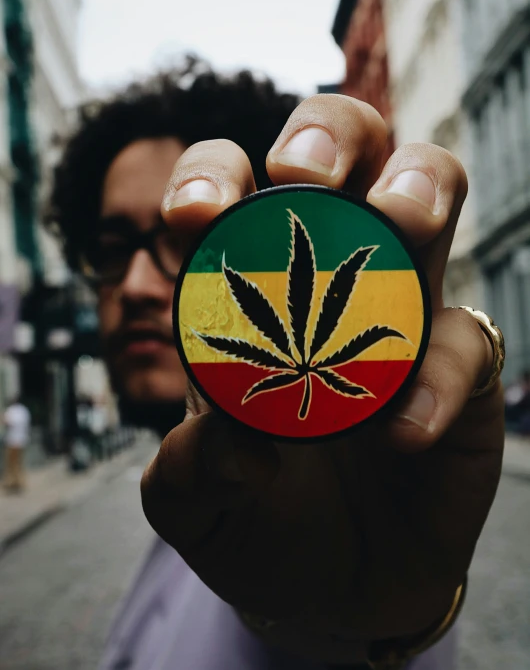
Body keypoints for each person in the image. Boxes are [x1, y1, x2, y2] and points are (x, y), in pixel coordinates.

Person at [47, 56, 505, 669]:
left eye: (183, 245)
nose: (132, 285)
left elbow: (306, 635)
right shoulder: (184, 537)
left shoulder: (302, 512)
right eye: (109, 249)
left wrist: (350, 632)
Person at [2, 396, 31, 491]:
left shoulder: (12, 411)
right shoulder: (24, 411)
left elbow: (7, 422)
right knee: (18, 463)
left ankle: (15, 482)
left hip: (13, 440)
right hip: (22, 440)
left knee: (12, 463)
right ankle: (18, 482)